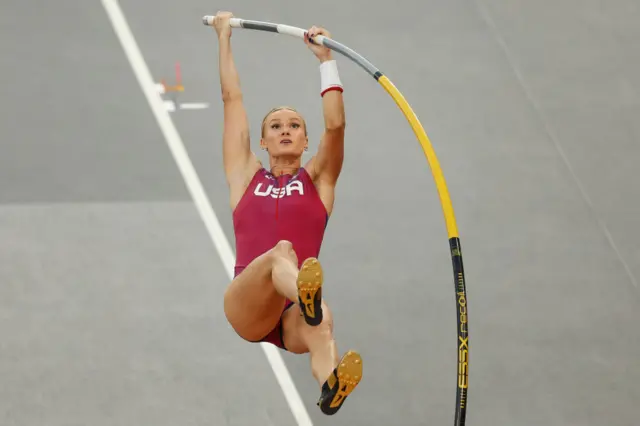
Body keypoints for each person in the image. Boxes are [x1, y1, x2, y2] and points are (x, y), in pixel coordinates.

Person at [211, 11, 362, 416]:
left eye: (295, 125)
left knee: (322, 321)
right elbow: (232, 99)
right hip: (249, 307)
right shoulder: (245, 177)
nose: (285, 130)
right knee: (282, 253)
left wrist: (325, 60)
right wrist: (224, 37)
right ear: (261, 140)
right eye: (275, 126)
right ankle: (305, 294)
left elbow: (337, 127)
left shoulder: (319, 181)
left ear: (305, 139)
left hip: (291, 319)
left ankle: (330, 385)